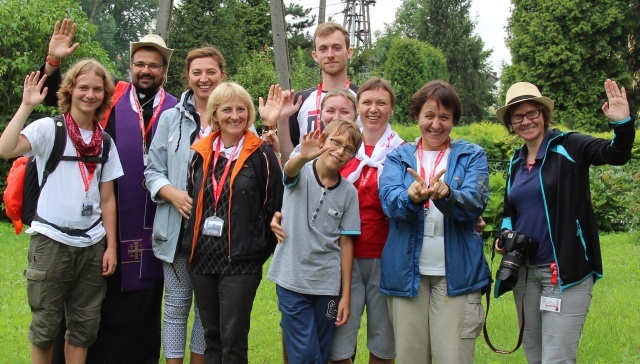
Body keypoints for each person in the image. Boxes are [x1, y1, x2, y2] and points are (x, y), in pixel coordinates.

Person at [41, 19, 178, 363]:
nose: (145, 71)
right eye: (140, 64)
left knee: (142, 308)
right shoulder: (110, 100)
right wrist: (53, 63)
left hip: (156, 227)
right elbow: (64, 99)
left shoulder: (177, 110)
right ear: (131, 67)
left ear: (164, 70)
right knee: (87, 303)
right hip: (102, 226)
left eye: (154, 65)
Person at [494, 80, 635, 363]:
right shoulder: (516, 161)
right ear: (511, 123)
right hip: (524, 274)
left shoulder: (569, 145)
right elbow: (510, 209)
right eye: (518, 116)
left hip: (564, 272)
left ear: (544, 115)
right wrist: (505, 233)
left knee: (556, 359)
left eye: (532, 113)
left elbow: (616, 154)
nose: (526, 121)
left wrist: (623, 124)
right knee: (535, 356)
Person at [0, 61, 122, 363]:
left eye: (97, 89)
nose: (90, 95)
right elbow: (6, 148)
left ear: (105, 95)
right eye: (83, 87)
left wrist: (111, 247)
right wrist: (26, 106)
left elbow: (107, 199)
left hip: (92, 245)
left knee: (83, 327)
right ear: (70, 90)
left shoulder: (105, 143)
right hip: (51, 242)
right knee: (45, 326)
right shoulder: (48, 129)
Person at [378, 80, 491, 363]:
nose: (436, 124)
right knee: (410, 357)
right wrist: (411, 196)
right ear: (416, 116)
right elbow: (389, 202)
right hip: (406, 274)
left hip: (457, 275)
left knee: (452, 357)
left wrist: (448, 195)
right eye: (429, 115)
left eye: (444, 117)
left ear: (454, 119)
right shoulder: (398, 157)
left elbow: (476, 202)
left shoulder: (471, 155)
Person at [183, 82, 283, 363]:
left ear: (250, 114)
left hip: (241, 260)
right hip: (202, 259)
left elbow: (275, 207)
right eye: (227, 109)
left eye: (242, 109)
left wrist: (257, 248)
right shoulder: (200, 154)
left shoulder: (261, 155)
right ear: (215, 114)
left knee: (233, 338)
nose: (235, 115)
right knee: (211, 336)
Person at [144, 46, 226, 364]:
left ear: (221, 74)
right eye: (197, 72)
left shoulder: (233, 116)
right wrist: (171, 193)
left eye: (211, 72)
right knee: (176, 309)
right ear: (187, 77)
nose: (204, 79)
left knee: (206, 313)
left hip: (216, 237)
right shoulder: (169, 119)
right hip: (177, 231)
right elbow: (152, 170)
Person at [267, 119, 363, 363]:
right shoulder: (301, 172)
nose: (340, 151)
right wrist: (301, 156)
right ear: (323, 141)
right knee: (305, 354)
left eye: (348, 149)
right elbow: (289, 171)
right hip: (292, 280)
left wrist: (345, 296)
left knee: (321, 351)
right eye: (335, 142)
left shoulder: (349, 193)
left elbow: (346, 243)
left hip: (327, 285)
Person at [273, 21, 358, 164]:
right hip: (308, 183)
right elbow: (289, 158)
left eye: (336, 48)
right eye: (323, 49)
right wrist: (282, 119)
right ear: (315, 55)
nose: (330, 55)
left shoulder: (363, 98)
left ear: (349, 52)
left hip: (353, 182)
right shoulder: (301, 99)